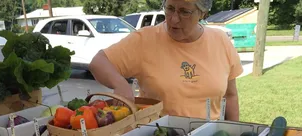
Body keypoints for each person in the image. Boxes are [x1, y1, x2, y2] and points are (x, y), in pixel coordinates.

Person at [89, 0, 243, 121]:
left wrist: (234, 133)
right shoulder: (145, 40)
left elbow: (230, 96)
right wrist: (120, 84)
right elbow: (99, 62)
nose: (174, 19)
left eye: (185, 12)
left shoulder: (220, 41)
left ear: (203, 13)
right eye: (170, 9)